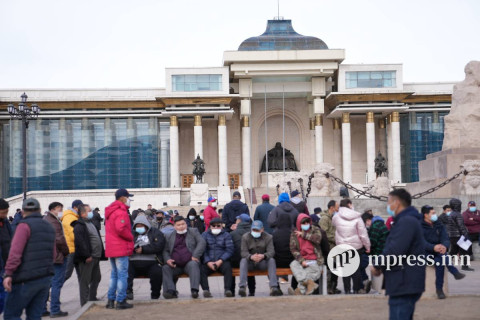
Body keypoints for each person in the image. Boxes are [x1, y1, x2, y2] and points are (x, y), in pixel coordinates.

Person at [371, 189, 426, 320]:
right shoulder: (406, 220)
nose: (388, 206)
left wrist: (378, 265)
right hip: (403, 280)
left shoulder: (406, 221)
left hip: (404, 281)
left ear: (396, 203)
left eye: (389, 202)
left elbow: (395, 250)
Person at [3, 198, 56, 320]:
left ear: (22, 212)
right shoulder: (49, 227)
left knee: (11, 315)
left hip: (24, 279)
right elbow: (52, 254)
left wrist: (8, 273)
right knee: (34, 316)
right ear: (40, 210)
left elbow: (15, 253)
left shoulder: (23, 226)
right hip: (44, 278)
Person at [421, 205, 465, 299]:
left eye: (435, 213)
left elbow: (445, 238)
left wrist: (444, 246)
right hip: (424, 252)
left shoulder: (438, 224)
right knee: (440, 262)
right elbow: (420, 242)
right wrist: (433, 247)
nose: (435, 215)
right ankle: (453, 273)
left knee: (440, 261)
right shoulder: (419, 226)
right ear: (426, 215)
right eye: (432, 213)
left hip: (439, 251)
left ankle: (439, 289)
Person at [104, 189, 135, 310]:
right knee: (122, 275)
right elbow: (121, 229)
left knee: (114, 275)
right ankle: (121, 300)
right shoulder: (121, 211)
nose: (129, 200)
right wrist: (131, 237)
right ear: (122, 198)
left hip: (112, 247)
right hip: (120, 247)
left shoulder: (110, 211)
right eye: (128, 197)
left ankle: (111, 300)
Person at [162, 216, 206, 299]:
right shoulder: (169, 235)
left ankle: (194, 290)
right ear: (174, 226)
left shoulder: (193, 231)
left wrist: (195, 255)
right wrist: (168, 259)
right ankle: (171, 291)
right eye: (178, 225)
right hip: (175, 265)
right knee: (165, 268)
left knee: (194, 264)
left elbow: (202, 242)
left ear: (186, 224)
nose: (181, 226)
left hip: (189, 262)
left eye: (183, 224)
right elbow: (165, 250)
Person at [333, 199, 370, 294]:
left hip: (342, 246)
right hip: (356, 247)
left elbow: (335, 228)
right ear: (349, 204)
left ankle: (347, 289)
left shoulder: (336, 217)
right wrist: (367, 246)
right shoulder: (357, 217)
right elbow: (363, 234)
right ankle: (356, 289)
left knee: (345, 269)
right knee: (356, 270)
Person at [239, 220, 283, 297]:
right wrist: (251, 257)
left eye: (257, 230)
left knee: (272, 260)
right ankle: (242, 287)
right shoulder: (245, 237)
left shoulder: (268, 237)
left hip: (263, 262)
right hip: (250, 263)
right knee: (243, 261)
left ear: (262, 229)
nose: (255, 231)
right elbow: (243, 252)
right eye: (253, 229)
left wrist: (263, 256)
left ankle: (274, 286)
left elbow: (271, 252)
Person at [73, 204, 105, 306]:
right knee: (85, 281)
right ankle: (85, 303)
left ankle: (92, 298)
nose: (92, 213)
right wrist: (86, 255)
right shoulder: (79, 225)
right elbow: (80, 242)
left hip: (96, 256)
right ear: (83, 213)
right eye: (89, 211)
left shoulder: (91, 223)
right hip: (88, 258)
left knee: (97, 278)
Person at [127, 215, 165, 300]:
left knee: (157, 272)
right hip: (133, 261)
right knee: (125, 270)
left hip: (151, 261)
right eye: (137, 226)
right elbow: (125, 245)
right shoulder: (131, 233)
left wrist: (143, 249)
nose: (139, 228)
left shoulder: (155, 232)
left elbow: (159, 245)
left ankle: (155, 294)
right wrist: (132, 249)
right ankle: (128, 292)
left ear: (146, 225)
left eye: (141, 226)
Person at [43, 202, 69, 317]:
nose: (61, 211)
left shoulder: (45, 219)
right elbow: (59, 239)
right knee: (56, 283)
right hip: (57, 256)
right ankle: (55, 309)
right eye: (60, 209)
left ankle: (42, 308)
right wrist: (66, 252)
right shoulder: (53, 221)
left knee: (47, 283)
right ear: (53, 209)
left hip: (47, 256)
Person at [200, 218, 235, 298]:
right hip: (209, 261)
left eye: (218, 226)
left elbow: (229, 250)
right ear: (210, 226)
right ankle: (206, 290)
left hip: (222, 261)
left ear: (222, 226)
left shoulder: (226, 235)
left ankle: (227, 290)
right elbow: (203, 250)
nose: (216, 227)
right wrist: (208, 261)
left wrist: (220, 260)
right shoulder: (204, 235)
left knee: (228, 268)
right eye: (213, 226)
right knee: (201, 269)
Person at [289, 214, 323, 295]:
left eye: (307, 223)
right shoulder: (294, 234)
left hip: (314, 259)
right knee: (293, 264)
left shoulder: (315, 229)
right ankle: (308, 284)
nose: (306, 225)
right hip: (303, 258)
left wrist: (303, 234)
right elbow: (293, 249)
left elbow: (318, 239)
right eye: (303, 223)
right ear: (299, 223)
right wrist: (301, 260)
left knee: (310, 271)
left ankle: (299, 291)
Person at [229, 214, 256, 296]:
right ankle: (251, 291)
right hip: (251, 260)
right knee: (249, 262)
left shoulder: (233, 233)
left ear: (239, 221)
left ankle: (232, 291)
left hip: (236, 262)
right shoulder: (253, 232)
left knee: (230, 266)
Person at [320, 200, 340, 294]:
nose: (338, 209)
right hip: (329, 247)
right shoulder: (324, 219)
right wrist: (336, 239)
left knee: (336, 268)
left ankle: (333, 286)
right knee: (330, 268)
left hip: (334, 247)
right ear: (332, 208)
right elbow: (324, 234)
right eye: (337, 207)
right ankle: (329, 287)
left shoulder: (333, 217)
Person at [448, 198, 474, 271]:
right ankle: (465, 266)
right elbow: (461, 226)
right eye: (459, 205)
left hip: (452, 236)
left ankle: (445, 263)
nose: (460, 206)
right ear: (457, 206)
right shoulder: (458, 215)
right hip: (458, 236)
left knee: (453, 251)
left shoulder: (451, 214)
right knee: (464, 251)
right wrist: (465, 235)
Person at [62, 199, 83, 281]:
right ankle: (50, 288)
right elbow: (73, 234)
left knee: (81, 274)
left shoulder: (74, 216)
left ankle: (84, 293)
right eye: (80, 207)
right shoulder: (69, 217)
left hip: (76, 249)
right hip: (71, 250)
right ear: (75, 207)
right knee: (66, 274)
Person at [273, 214, 295, 286]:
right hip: (292, 262)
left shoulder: (275, 234)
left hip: (278, 262)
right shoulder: (293, 233)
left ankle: (276, 286)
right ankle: (294, 286)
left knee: (270, 262)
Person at [0, 198, 12, 316]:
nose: (5, 215)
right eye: (3, 212)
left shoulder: (5, 222)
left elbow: (11, 239)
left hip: (6, 264)